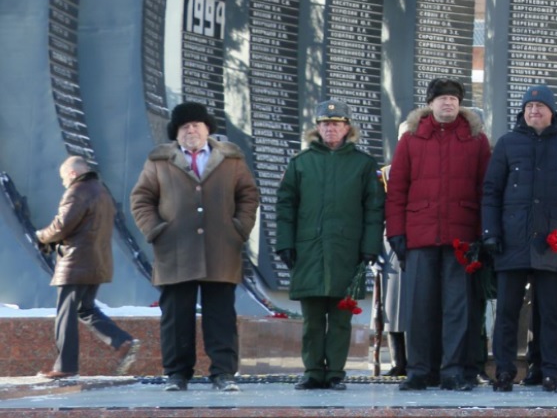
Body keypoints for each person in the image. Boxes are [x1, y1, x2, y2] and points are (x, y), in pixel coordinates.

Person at [129, 102, 260, 392]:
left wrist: (239, 228)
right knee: (176, 316)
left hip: (221, 249)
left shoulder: (231, 159)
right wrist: (156, 230)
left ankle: (223, 373)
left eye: (196, 125)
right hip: (175, 250)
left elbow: (248, 195)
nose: (191, 130)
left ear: (207, 128)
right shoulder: (159, 161)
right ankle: (177, 373)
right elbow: (141, 199)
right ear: (176, 133)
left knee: (221, 315)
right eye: (185, 126)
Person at [386, 78, 492, 391]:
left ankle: (453, 371)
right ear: (430, 104)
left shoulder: (476, 140)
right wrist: (396, 233)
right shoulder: (412, 139)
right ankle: (419, 370)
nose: (448, 104)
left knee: (457, 310)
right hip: (420, 237)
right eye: (442, 99)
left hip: (461, 240)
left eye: (454, 99)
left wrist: (483, 235)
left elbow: (485, 189)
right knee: (419, 308)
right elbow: (397, 191)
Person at [275, 100, 383, 390]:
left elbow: (374, 209)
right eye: (325, 124)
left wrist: (370, 247)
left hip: (346, 252)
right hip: (308, 250)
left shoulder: (363, 164)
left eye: (336, 124)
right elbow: (285, 206)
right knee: (311, 318)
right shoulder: (301, 163)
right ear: (317, 128)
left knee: (340, 317)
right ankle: (312, 370)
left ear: (347, 128)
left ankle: (335, 371)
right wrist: (285, 243)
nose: (330, 129)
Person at [481, 84, 557, 392]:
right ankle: (504, 370)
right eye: (529, 107)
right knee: (507, 310)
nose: (534, 111)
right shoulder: (507, 143)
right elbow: (491, 191)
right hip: (512, 238)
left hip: (550, 239)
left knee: (551, 312)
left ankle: (550, 370)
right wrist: (490, 232)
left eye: (540, 107)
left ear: (551, 111)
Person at [35, 156, 138, 380]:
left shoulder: (77, 191)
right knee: (86, 309)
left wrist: (41, 237)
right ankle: (122, 340)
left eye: (64, 178)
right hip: (97, 262)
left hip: (75, 263)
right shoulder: (102, 191)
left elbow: (62, 225)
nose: (63, 183)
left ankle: (65, 366)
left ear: (72, 174)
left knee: (66, 314)